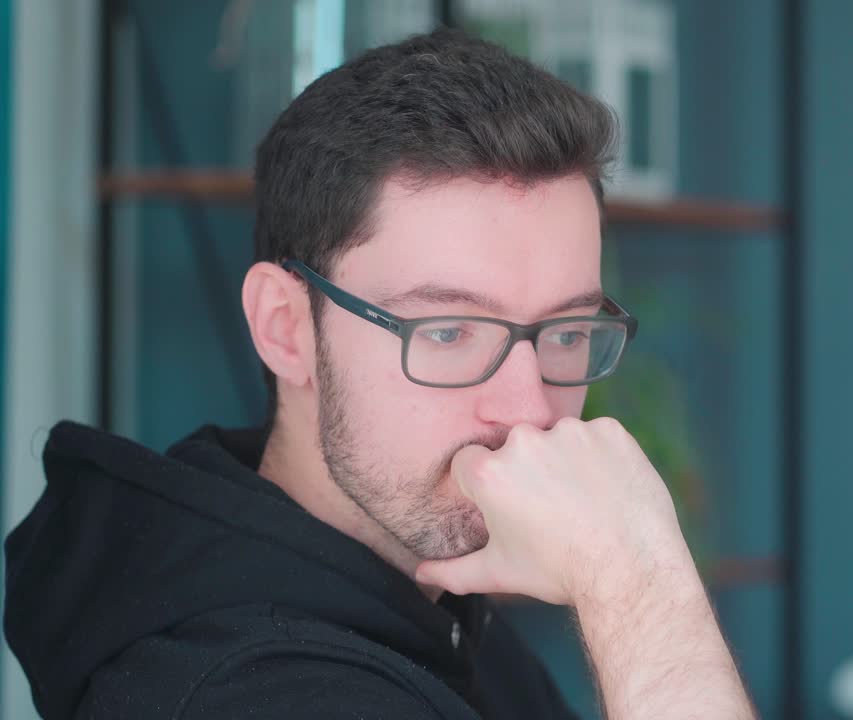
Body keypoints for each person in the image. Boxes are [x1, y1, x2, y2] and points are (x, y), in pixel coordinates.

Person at [4, 28, 755, 720]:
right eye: (450, 331)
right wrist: (636, 583)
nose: (528, 409)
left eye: (564, 331)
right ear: (285, 327)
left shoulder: (432, 607)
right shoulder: (253, 695)